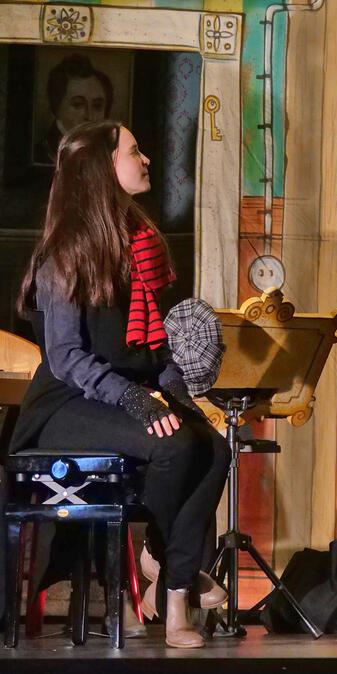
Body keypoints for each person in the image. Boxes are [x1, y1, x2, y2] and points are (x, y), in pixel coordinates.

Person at [10, 120, 230, 649]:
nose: (146, 159)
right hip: (67, 403)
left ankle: (170, 586)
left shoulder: (142, 243)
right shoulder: (66, 253)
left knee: (215, 448)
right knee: (174, 445)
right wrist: (134, 399)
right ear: (102, 169)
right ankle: (171, 573)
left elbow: (156, 347)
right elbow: (66, 358)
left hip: (130, 392)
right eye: (135, 151)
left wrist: (178, 396)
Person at [34, 54, 113, 166]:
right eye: (78, 105)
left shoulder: (111, 155)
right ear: (56, 107)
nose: (89, 116)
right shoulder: (41, 155)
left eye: (97, 106)